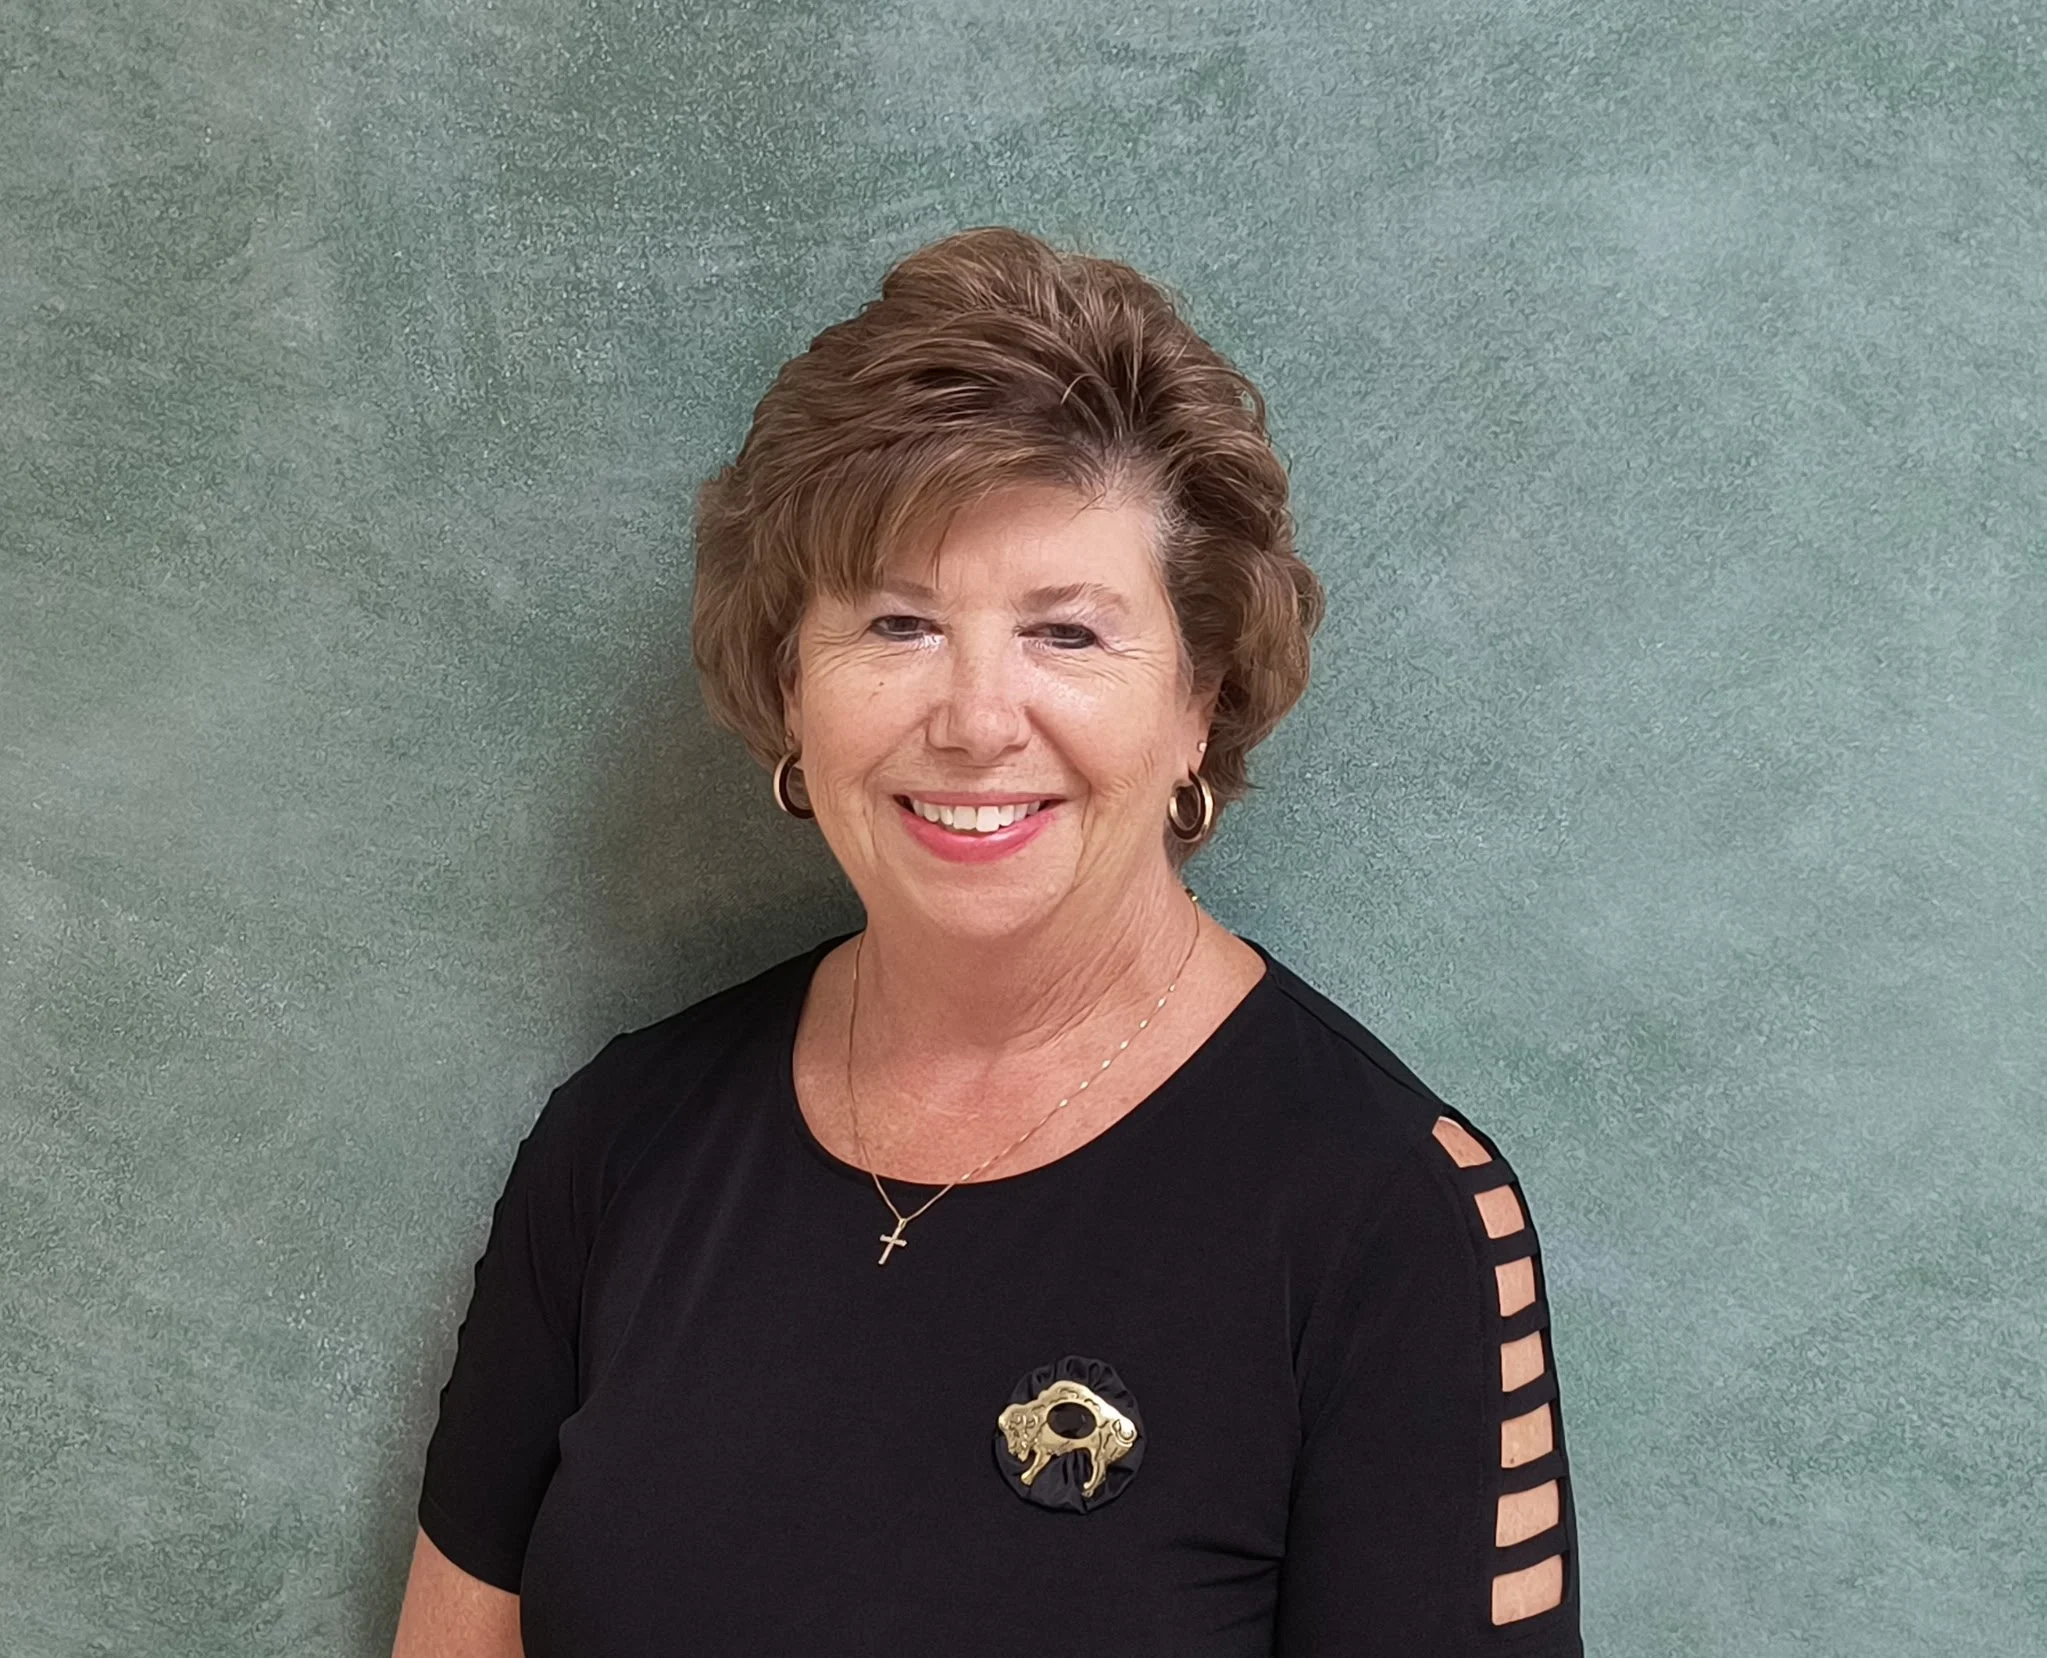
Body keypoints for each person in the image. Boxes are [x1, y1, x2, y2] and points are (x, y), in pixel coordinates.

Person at [391, 226, 1583, 1657]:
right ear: (789, 683)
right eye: (896, 623)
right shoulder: (619, 1145)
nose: (970, 718)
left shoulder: (1390, 1216)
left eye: (1066, 635)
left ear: (1199, 693)